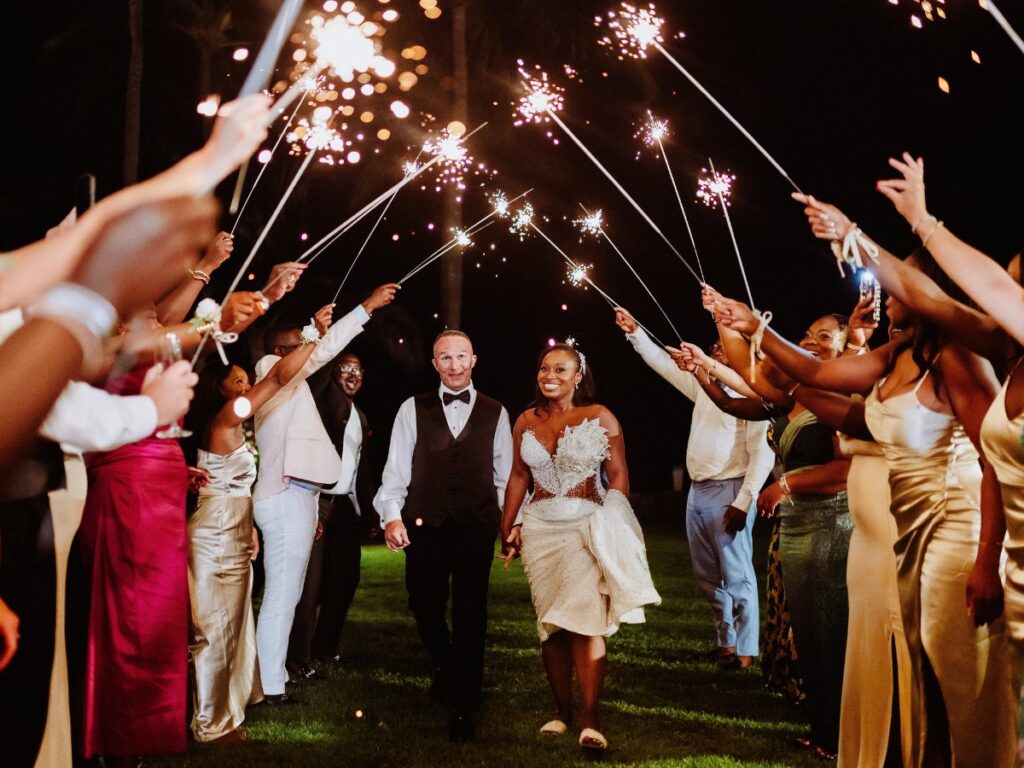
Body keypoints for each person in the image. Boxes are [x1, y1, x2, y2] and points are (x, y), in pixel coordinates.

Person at [713, 253, 1020, 767]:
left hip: (942, 541)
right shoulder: (898, 356)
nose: (887, 298)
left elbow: (996, 460)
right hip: (882, 548)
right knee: (898, 679)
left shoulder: (957, 358)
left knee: (951, 690)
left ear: (925, 293)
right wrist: (754, 330)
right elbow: (831, 390)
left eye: (897, 287)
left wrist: (988, 557)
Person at [708, 304, 854, 761]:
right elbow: (747, 367)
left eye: (826, 336)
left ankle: (842, 735)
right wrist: (720, 316)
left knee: (833, 632)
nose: (812, 340)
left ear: (848, 349)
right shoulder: (795, 393)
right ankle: (823, 729)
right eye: (809, 332)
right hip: (795, 526)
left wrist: (786, 484)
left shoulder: (846, 397)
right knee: (809, 633)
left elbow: (845, 469)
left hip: (831, 523)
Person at [499, 342, 660, 752]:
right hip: (539, 530)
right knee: (551, 624)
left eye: (560, 369)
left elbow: (619, 475)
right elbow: (519, 476)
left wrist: (611, 519)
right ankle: (560, 712)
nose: (549, 375)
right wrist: (508, 525)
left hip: (586, 526)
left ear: (577, 376)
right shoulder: (524, 421)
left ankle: (591, 719)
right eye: (543, 368)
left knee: (586, 621)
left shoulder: (600, 416)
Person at [252, 284, 398, 705]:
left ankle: (274, 676)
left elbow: (319, 355)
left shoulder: (291, 383)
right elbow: (321, 352)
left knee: (290, 593)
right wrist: (364, 309)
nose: (308, 352)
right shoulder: (270, 368)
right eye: (298, 345)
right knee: (282, 593)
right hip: (283, 494)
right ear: (283, 350)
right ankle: (271, 685)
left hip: (298, 496)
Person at [182, 326, 327, 742]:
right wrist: (314, 337)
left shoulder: (229, 423)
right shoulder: (226, 418)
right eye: (239, 379)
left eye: (247, 379)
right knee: (213, 627)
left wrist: (249, 530)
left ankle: (233, 702)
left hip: (234, 529)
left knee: (233, 624)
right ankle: (212, 723)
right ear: (219, 387)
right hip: (213, 534)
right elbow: (280, 377)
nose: (247, 384)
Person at [614, 308, 774, 668]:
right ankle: (726, 645)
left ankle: (747, 652)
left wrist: (743, 502)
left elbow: (761, 455)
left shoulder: (753, 397)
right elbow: (664, 365)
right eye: (715, 345)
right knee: (707, 577)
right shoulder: (707, 388)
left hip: (730, 491)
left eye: (724, 346)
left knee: (737, 575)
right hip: (698, 492)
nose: (717, 350)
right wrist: (635, 332)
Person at [374, 330, 512, 741]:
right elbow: (395, 471)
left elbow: (504, 478)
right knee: (424, 604)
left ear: (474, 360)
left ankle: (464, 704)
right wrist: (391, 518)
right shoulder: (410, 409)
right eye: (445, 358)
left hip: (476, 526)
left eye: (461, 357)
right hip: (424, 526)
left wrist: (507, 525)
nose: (454, 365)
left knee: (472, 613)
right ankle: (447, 666)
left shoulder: (496, 412)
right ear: (435, 364)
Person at [288, 353, 376, 677]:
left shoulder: (360, 415)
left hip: (346, 510)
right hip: (320, 501)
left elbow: (360, 470)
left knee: (345, 580)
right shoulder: (324, 403)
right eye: (345, 369)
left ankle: (325, 648)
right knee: (310, 585)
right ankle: (297, 659)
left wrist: (369, 513)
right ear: (334, 373)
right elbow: (319, 381)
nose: (352, 375)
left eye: (358, 370)